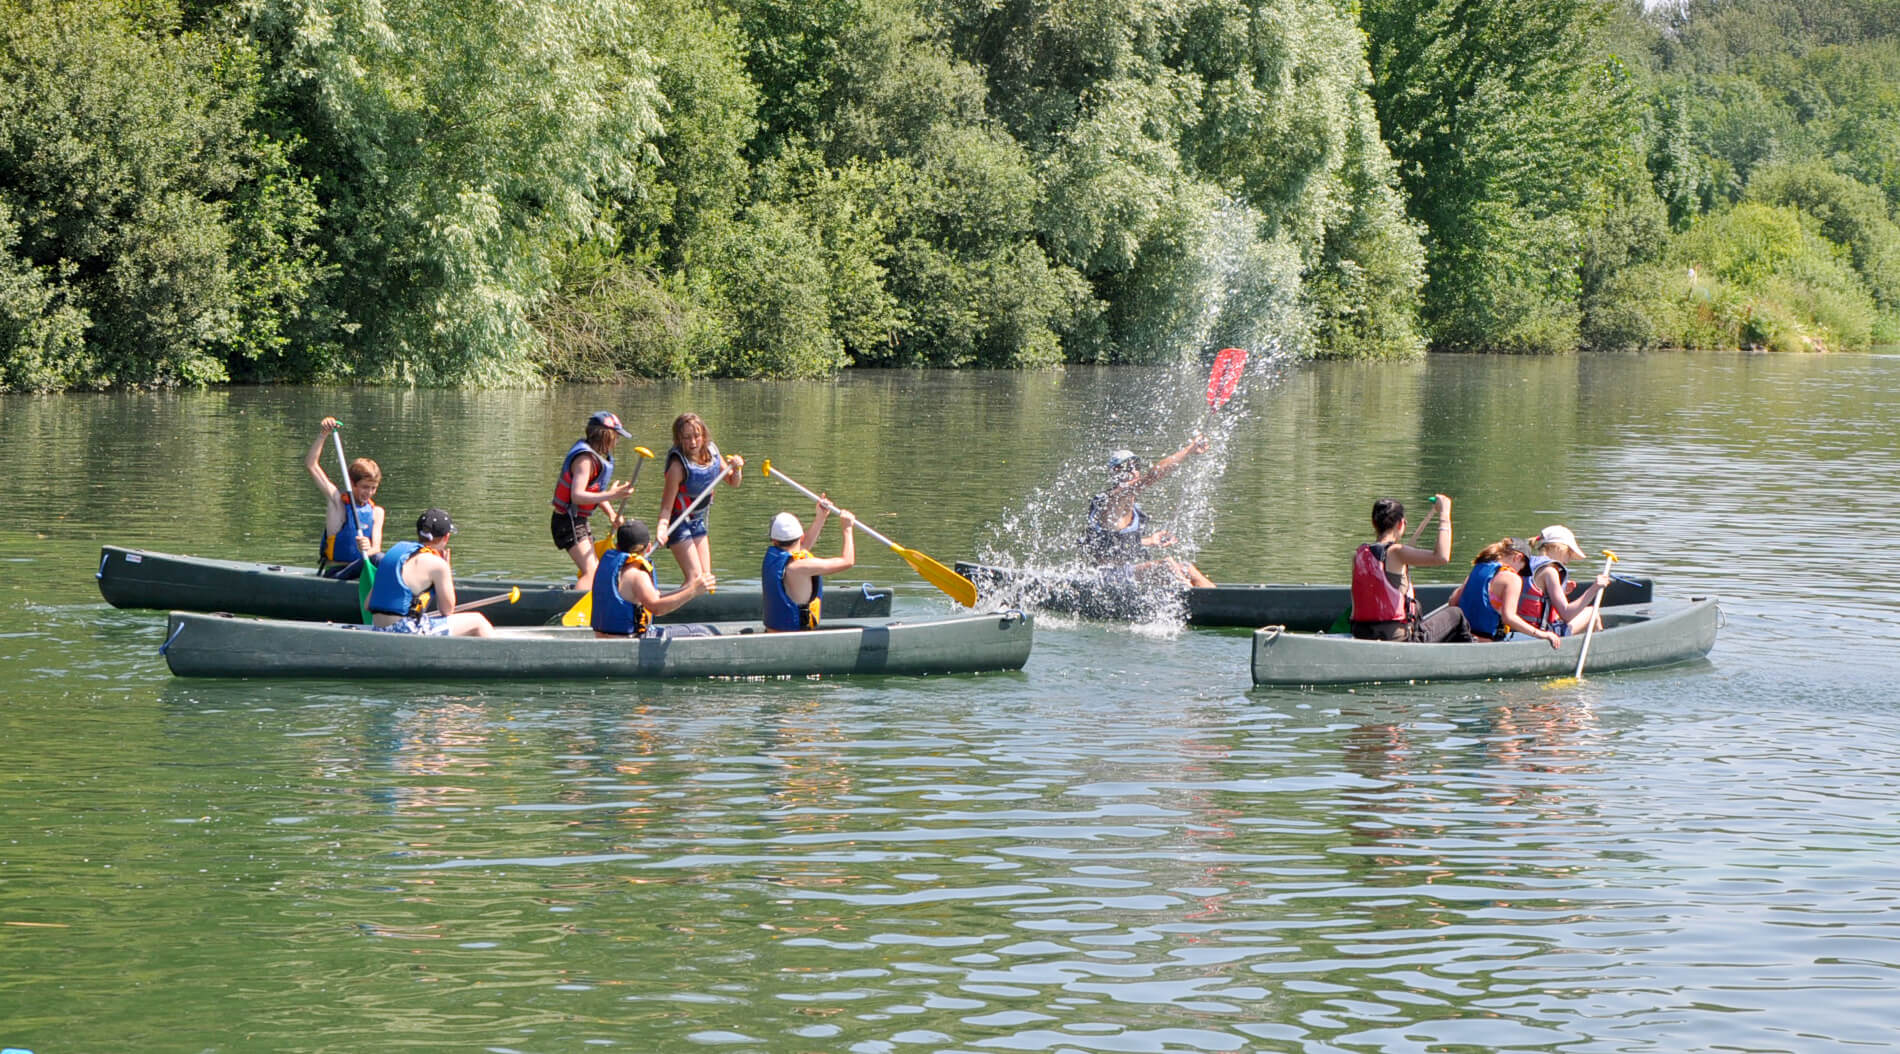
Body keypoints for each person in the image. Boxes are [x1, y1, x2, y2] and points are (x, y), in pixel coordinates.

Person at [1081, 438, 1216, 588]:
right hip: (1106, 579)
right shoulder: (1113, 499)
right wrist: (1189, 450)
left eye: (1136, 466)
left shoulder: (1132, 505)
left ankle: (1217, 597)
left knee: (1187, 567)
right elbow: (1153, 476)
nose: (1133, 470)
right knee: (1166, 566)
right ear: (1115, 472)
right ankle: (1195, 598)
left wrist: (1150, 540)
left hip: (1126, 573)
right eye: (1127, 466)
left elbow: (1115, 543)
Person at [1349, 494, 1472, 642]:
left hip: (1361, 633)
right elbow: (1442, 557)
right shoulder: (1396, 552)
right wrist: (1444, 514)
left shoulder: (1359, 555)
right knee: (1456, 615)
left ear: (1373, 523)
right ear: (1401, 524)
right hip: (1396, 638)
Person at [365, 509, 494, 637]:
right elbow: (447, 610)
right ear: (446, 537)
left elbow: (367, 604)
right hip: (404, 631)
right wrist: (446, 569)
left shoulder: (392, 554)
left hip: (378, 629)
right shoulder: (438, 564)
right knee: (478, 621)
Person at [552, 411, 638, 591]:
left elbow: (595, 491)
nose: (617, 441)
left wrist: (611, 513)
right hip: (567, 522)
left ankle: (585, 602)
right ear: (606, 436)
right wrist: (612, 495)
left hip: (577, 521)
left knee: (595, 570)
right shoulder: (585, 460)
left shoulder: (597, 458)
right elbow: (577, 496)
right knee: (591, 572)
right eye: (616, 436)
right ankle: (574, 613)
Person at [590, 520, 721, 639]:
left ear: (617, 546)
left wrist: (688, 587)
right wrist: (693, 590)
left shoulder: (607, 567)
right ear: (648, 547)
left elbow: (656, 598)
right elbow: (657, 608)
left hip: (603, 636)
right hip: (631, 639)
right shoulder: (637, 575)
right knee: (705, 632)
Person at [658, 412, 744, 584]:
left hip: (697, 521)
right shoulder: (677, 467)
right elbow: (666, 508)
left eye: (697, 436)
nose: (693, 442)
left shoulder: (712, 453)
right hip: (678, 522)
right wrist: (661, 529)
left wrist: (738, 468)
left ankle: (682, 606)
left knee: (707, 580)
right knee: (695, 579)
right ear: (678, 439)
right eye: (687, 437)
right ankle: (664, 608)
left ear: (703, 435)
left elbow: (733, 482)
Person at [304, 417, 384, 579]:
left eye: (373, 488)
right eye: (364, 487)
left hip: (362, 572)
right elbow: (311, 465)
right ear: (352, 484)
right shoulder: (337, 502)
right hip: (336, 573)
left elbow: (376, 548)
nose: (368, 492)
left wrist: (368, 548)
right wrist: (323, 434)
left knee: (386, 558)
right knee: (380, 559)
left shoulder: (377, 512)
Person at [1449, 538, 1563, 649]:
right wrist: (1541, 634)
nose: (1519, 573)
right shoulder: (1512, 578)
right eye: (1522, 569)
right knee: (1538, 638)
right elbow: (1508, 618)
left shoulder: (1479, 568)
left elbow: (1453, 601)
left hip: (1463, 636)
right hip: (1487, 643)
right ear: (1517, 557)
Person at [762, 499, 856, 632]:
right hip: (795, 639)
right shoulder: (802, 567)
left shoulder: (774, 559)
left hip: (773, 632)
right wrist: (847, 529)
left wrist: (821, 517)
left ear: (774, 540)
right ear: (801, 537)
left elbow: (803, 546)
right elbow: (848, 561)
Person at [1520, 525, 1611, 636]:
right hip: (1542, 633)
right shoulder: (1550, 571)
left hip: (1520, 629)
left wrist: (1560, 589)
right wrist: (1595, 588)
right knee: (1592, 612)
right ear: (1559, 549)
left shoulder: (1526, 564)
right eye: (1569, 552)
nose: (1570, 558)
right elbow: (1567, 614)